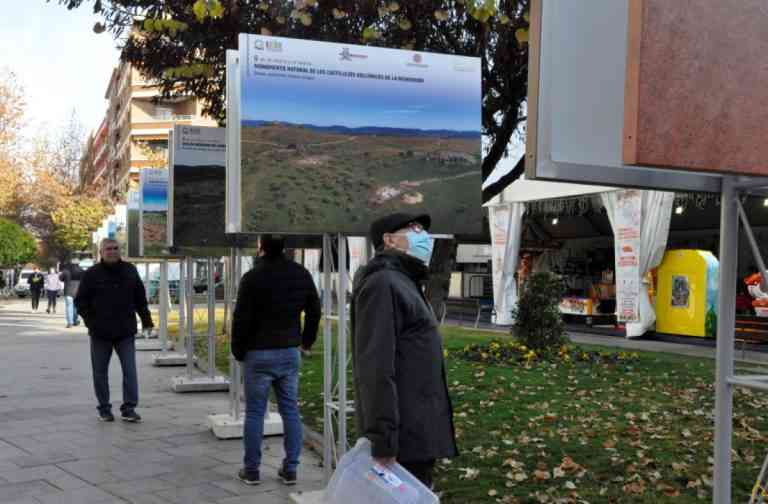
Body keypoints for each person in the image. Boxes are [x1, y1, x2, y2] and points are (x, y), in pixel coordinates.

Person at [351, 213, 458, 488]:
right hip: (402, 437)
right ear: (388, 240)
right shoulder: (383, 283)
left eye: (422, 228)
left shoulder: (404, 280)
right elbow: (375, 367)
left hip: (416, 429)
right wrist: (383, 440)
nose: (423, 235)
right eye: (413, 228)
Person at [231, 234, 321, 486]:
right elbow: (314, 311)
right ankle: (290, 469)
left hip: (257, 352)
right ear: (284, 248)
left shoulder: (252, 277)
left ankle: (251, 470)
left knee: (255, 413)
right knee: (290, 410)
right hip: (289, 351)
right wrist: (306, 342)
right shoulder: (301, 273)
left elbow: (241, 318)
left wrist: (238, 351)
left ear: (260, 247)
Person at [75, 239, 153, 423]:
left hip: (125, 331)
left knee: (130, 371)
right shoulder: (92, 273)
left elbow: (140, 299)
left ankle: (129, 408)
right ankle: (104, 408)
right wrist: (91, 322)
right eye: (108, 249)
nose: (112, 251)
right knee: (100, 373)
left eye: (115, 248)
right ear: (101, 252)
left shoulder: (130, 270)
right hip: (100, 333)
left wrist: (147, 321)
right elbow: (80, 301)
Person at [59, 258, 84, 328]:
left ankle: (70, 322)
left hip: (68, 291)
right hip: (78, 291)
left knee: (69, 306)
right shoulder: (82, 271)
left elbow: (60, 278)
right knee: (76, 306)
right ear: (78, 263)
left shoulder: (66, 271)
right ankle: (75, 320)